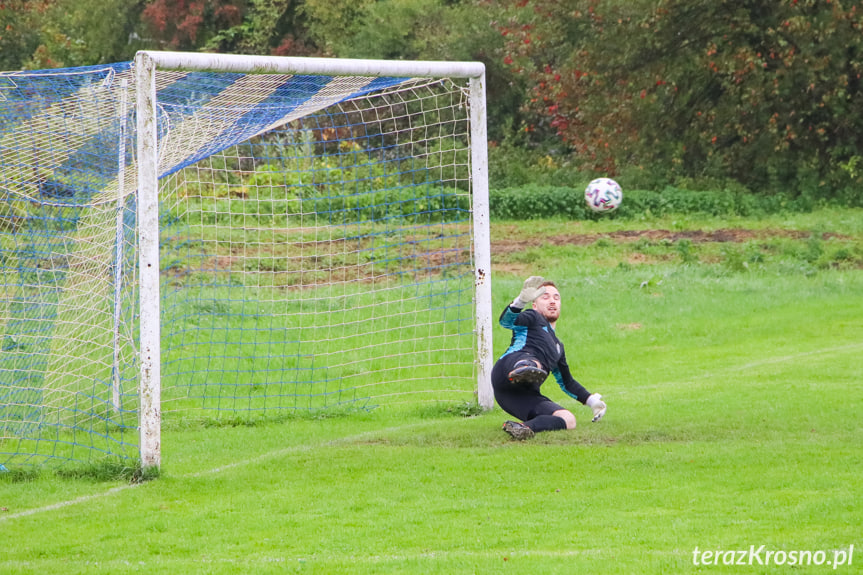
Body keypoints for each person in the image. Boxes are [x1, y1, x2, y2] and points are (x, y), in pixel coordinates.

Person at [492, 276, 607, 440]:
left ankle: (524, 428)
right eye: (545, 297)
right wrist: (520, 301)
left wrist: (592, 402)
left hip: (519, 396)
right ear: (534, 304)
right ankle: (525, 368)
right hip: (506, 372)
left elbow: (567, 383)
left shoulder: (558, 347)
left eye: (556, 297)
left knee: (568, 420)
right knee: (534, 362)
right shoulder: (532, 317)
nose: (552, 301)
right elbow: (506, 322)